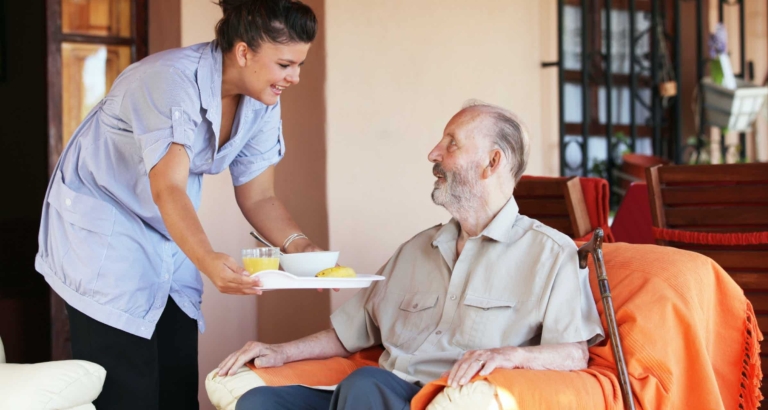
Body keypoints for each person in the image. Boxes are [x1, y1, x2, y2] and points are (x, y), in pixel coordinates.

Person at [220, 102, 605, 410]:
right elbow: (351, 332)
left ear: (493, 162)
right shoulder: (415, 250)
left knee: (364, 385)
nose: (433, 154)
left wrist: (510, 356)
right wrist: (279, 350)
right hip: (374, 395)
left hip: (435, 397)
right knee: (260, 402)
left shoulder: (550, 254)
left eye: (451, 144)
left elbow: (573, 352)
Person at [34, 1, 321, 408]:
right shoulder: (168, 82)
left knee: (177, 382)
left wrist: (301, 247)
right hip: (105, 234)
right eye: (285, 65)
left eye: (299, 66)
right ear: (243, 52)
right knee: (125, 389)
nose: (293, 78)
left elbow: (259, 195)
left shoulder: (262, 99)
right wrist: (208, 260)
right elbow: (167, 187)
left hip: (167, 231)